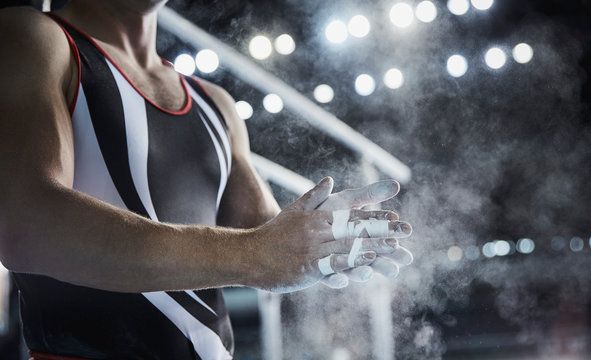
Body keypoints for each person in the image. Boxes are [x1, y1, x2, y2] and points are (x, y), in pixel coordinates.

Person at [0, 1, 413, 359]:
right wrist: (258, 254)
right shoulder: (35, 37)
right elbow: (24, 225)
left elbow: (270, 238)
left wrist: (327, 238)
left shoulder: (216, 104)